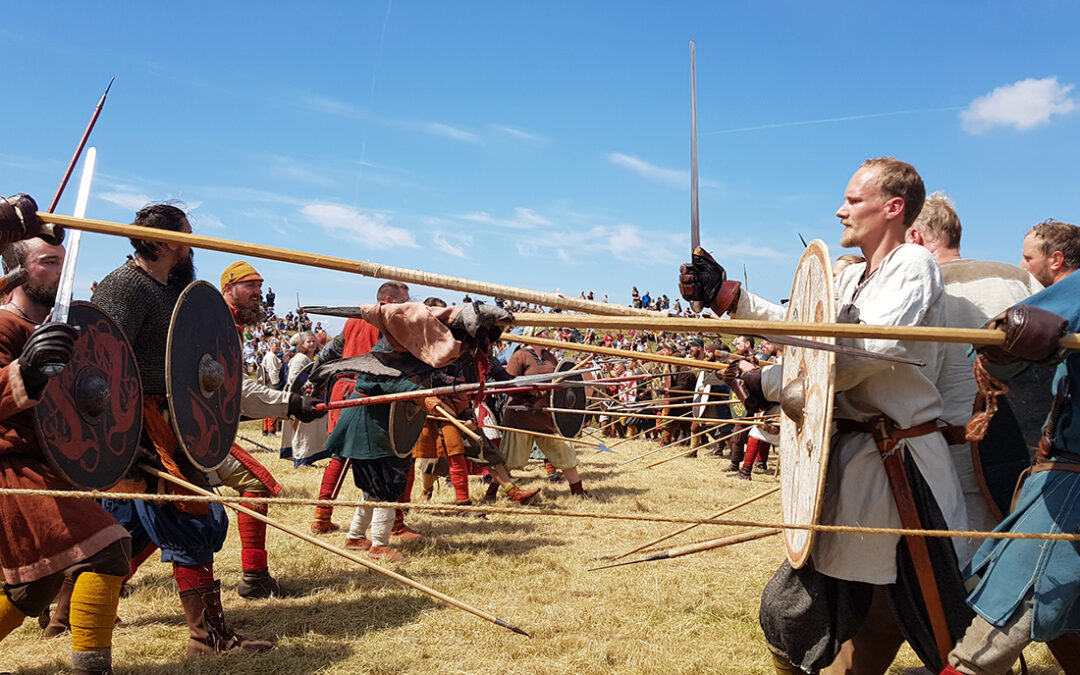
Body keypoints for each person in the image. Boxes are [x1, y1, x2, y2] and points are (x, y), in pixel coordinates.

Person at [680, 157, 970, 673]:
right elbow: (804, 327)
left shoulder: (912, 266)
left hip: (898, 467)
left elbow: (859, 358)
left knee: (914, 609)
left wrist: (766, 382)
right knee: (844, 606)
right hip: (855, 463)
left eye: (854, 200)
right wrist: (731, 297)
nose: (841, 211)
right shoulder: (854, 275)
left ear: (893, 207)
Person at [93, 204, 271, 656]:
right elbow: (100, 364)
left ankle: (62, 616)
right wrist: (125, 436)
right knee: (193, 518)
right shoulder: (126, 285)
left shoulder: (175, 289)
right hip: (139, 426)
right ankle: (206, 639)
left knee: (122, 533)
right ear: (164, 240)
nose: (194, 244)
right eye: (188, 235)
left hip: (172, 420)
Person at [943, 221, 1080, 675]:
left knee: (998, 625)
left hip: (1073, 487)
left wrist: (1002, 343)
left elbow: (995, 339)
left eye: (1028, 256)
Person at [0, 218, 131, 675]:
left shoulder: (63, 328)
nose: (62, 274)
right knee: (106, 548)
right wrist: (26, 371)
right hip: (10, 467)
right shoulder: (3, 327)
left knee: (32, 589)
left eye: (65, 263)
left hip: (46, 463)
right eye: (49, 263)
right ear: (18, 270)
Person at [311, 281, 423, 543]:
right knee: (386, 458)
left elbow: (329, 352)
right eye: (403, 300)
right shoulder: (386, 324)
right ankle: (392, 525)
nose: (407, 306)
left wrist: (316, 380)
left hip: (350, 390)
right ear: (387, 301)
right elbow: (383, 368)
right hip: (371, 393)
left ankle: (323, 516)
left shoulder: (354, 321)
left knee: (344, 456)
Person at [501, 330, 591, 498]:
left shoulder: (550, 357)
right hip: (521, 416)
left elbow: (562, 381)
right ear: (533, 335)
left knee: (565, 452)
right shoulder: (520, 356)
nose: (549, 336)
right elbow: (509, 385)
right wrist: (531, 392)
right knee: (510, 458)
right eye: (544, 333)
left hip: (546, 416)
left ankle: (578, 491)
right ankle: (492, 492)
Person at [279, 330, 329, 467]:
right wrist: (309, 384)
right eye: (309, 342)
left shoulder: (311, 359)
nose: (312, 344)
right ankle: (302, 458)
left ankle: (305, 456)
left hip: (309, 397)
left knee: (309, 430)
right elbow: (294, 378)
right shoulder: (300, 358)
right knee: (303, 430)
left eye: (314, 341)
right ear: (302, 344)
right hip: (301, 399)